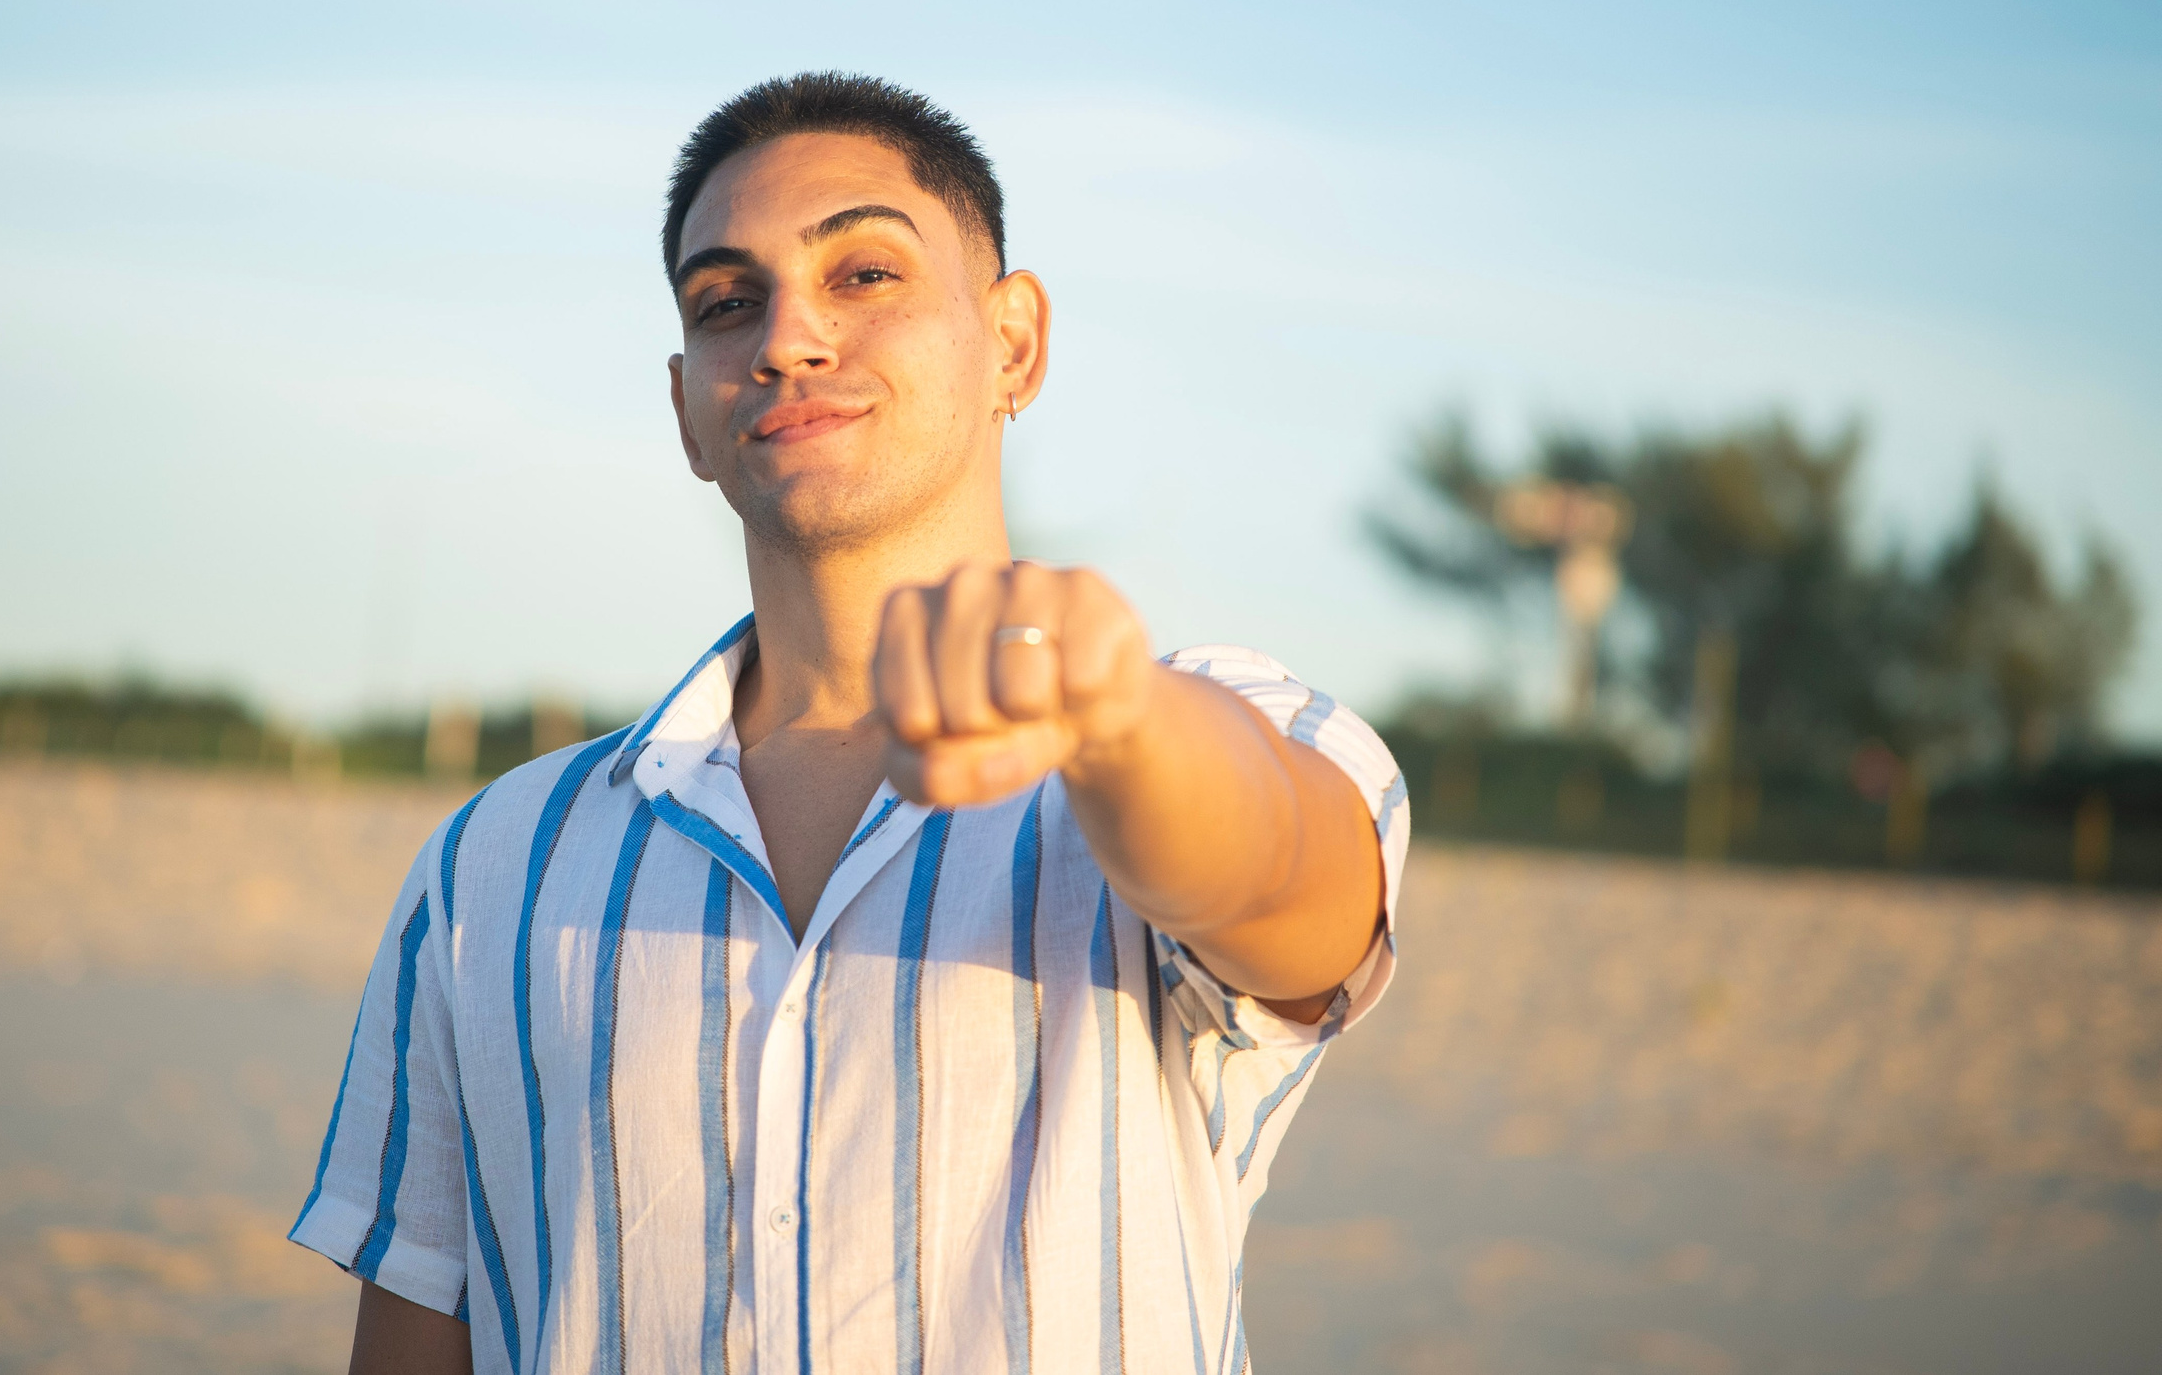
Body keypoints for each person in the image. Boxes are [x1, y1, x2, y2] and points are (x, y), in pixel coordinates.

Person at [289, 73, 1410, 1375]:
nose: (788, 336)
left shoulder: (1200, 731)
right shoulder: (495, 861)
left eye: (864, 272)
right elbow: (423, 1331)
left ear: (1014, 344)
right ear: (686, 410)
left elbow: (1287, 876)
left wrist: (1117, 715)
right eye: (726, 301)